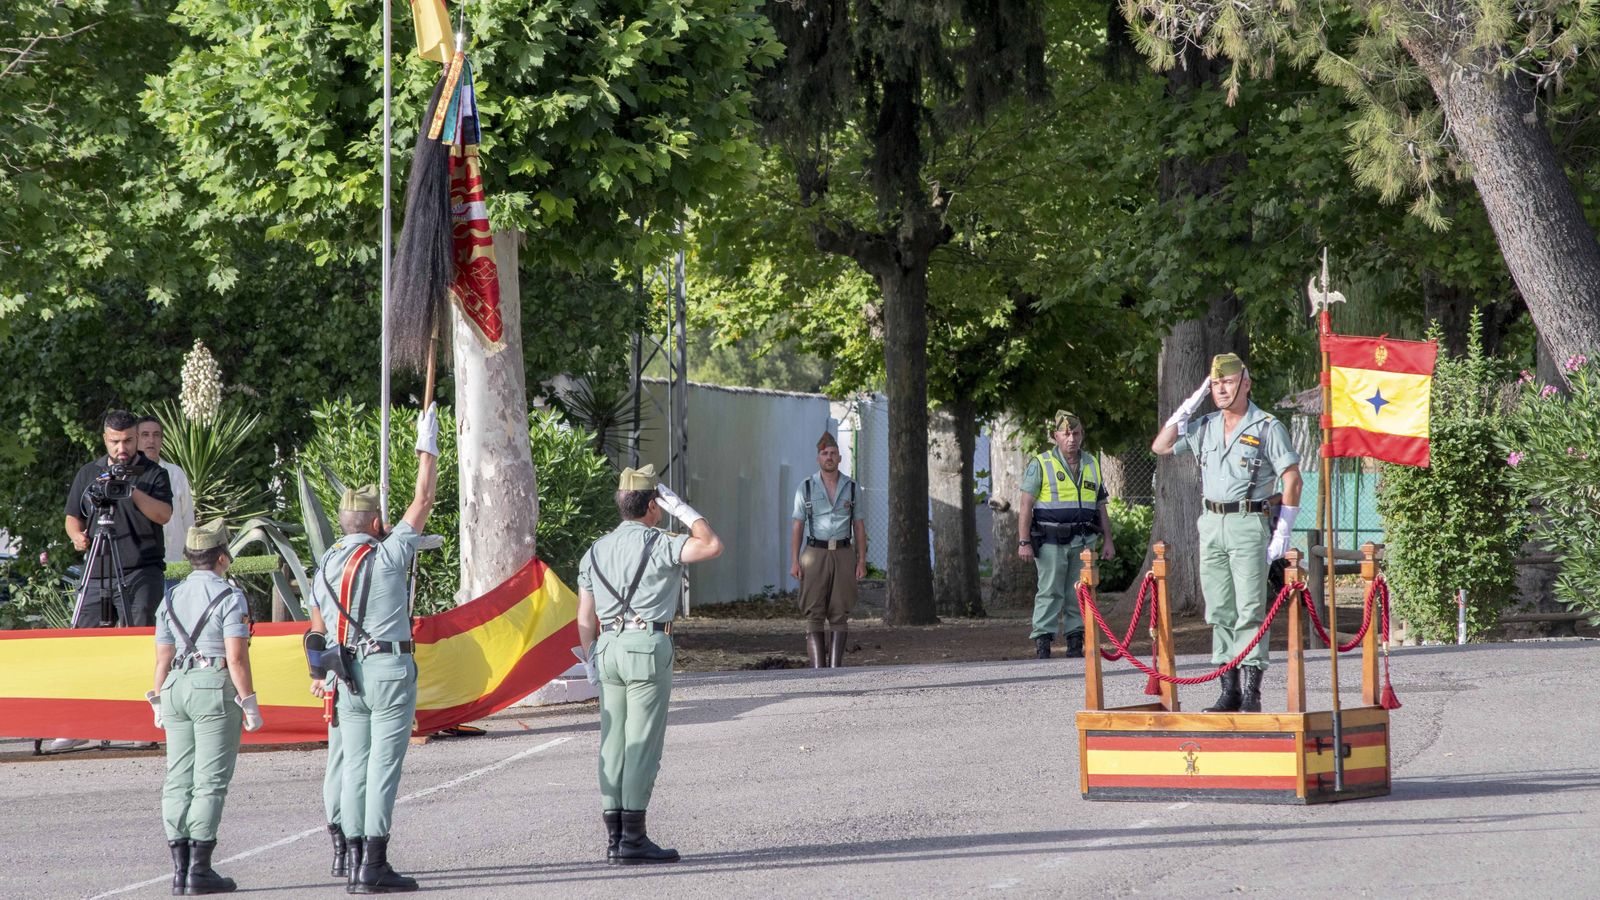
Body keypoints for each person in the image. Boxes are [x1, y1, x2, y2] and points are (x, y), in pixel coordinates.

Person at [309, 404, 438, 893]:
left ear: (343, 523)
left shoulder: (323, 565)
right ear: (377, 520)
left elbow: (317, 628)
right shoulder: (387, 555)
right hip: (387, 668)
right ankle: (373, 865)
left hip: (346, 676)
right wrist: (427, 447)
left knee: (354, 767)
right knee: (383, 767)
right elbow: (423, 500)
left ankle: (354, 856)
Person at [576, 464, 722, 865]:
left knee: (613, 745)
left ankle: (614, 839)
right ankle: (634, 839)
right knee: (641, 745)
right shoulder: (661, 542)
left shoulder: (596, 550)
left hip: (605, 649)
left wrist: (590, 657)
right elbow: (710, 545)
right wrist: (685, 511)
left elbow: (585, 619)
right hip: (646, 647)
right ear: (653, 506)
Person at [1152, 353, 1302, 713]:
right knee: (1218, 608)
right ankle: (1228, 688)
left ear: (1245, 384)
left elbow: (1292, 478)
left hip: (1249, 522)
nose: (1221, 389)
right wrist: (1185, 408)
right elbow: (1161, 446)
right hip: (1211, 523)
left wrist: (1284, 528)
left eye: (1228, 382)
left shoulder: (1266, 426)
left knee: (1249, 607)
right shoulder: (1203, 425)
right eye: (1215, 384)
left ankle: (1252, 691)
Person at [148, 517, 263, 895]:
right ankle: (200, 868)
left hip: (176, 685)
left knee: (178, 776)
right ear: (223, 557)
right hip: (212, 684)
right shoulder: (230, 597)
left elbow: (162, 657)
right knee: (210, 780)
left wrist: (158, 698)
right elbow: (237, 657)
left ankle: (179, 869)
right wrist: (249, 703)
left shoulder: (171, 596)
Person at [1016, 411, 1115, 659]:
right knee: (1050, 591)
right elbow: (1026, 505)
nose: (1072, 438)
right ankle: (1043, 643)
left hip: (1084, 541)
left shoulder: (1092, 463)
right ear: (1055, 436)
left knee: (1080, 593)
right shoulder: (1041, 464)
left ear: (1082, 435)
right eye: (1066, 433)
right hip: (1050, 541)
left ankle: (1075, 641)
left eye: (1076, 433)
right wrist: (1024, 542)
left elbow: (1101, 505)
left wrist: (1108, 540)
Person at [64, 409, 174, 627]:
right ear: (105, 439)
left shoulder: (154, 473)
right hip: (96, 571)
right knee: (84, 638)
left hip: (140, 571)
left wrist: (129, 489)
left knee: (139, 637)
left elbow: (163, 515)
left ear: (136, 438)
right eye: (115, 441)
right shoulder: (89, 472)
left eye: (128, 441)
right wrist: (77, 536)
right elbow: (72, 516)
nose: (121, 448)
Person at [788, 431, 867, 668]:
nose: (829, 457)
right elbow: (797, 526)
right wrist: (794, 560)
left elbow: (859, 526)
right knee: (814, 610)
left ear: (840, 458)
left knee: (839, 610)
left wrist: (861, 560)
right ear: (818, 459)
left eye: (833, 453)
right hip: (815, 553)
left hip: (843, 553)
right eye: (824, 453)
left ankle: (835, 669)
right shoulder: (806, 488)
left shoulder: (852, 488)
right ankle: (817, 672)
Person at [137, 416, 197, 566]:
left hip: (173, 563)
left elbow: (188, 520)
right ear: (135, 438)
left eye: (156, 435)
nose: (151, 440)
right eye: (145, 435)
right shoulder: (126, 475)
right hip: (138, 567)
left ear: (162, 439)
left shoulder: (176, 473)